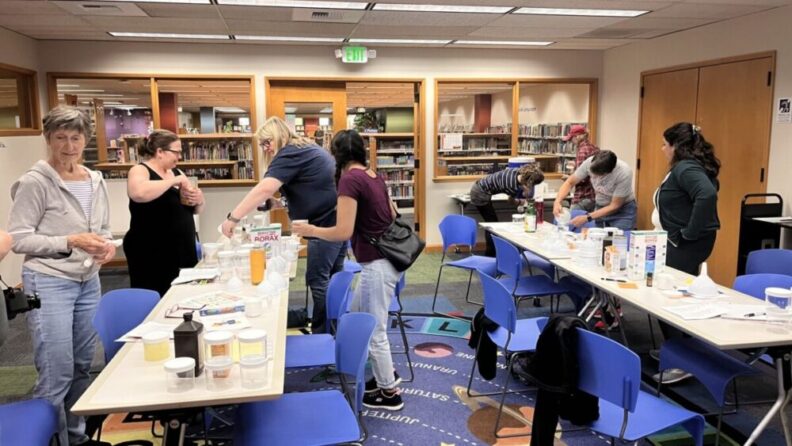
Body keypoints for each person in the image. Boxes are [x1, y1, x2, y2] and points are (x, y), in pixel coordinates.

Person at [8, 106, 114, 446]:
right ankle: (52, 440)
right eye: (60, 138)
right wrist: (69, 241)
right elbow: (19, 238)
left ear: (85, 139)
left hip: (88, 280)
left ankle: (76, 437)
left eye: (76, 137)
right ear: (48, 139)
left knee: (83, 364)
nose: (69, 146)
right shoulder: (34, 182)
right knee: (57, 370)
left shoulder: (94, 180)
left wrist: (107, 247)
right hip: (49, 279)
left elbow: (103, 230)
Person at [292, 129, 404, 411]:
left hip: (376, 265)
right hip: (387, 261)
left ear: (336, 154)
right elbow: (392, 214)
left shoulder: (349, 180)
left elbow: (343, 231)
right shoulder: (372, 175)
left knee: (374, 328)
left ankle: (390, 392)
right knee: (357, 318)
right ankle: (384, 373)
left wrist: (310, 230)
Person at [222, 116, 345, 334]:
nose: (266, 148)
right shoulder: (307, 147)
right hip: (336, 222)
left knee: (319, 281)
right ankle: (335, 329)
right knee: (333, 280)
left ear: (280, 136)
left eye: (267, 142)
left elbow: (264, 188)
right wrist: (277, 203)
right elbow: (310, 187)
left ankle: (322, 334)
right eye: (262, 144)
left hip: (324, 227)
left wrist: (233, 218)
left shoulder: (289, 152)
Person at [651, 122, 720, 385]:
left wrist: (690, 232)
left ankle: (684, 360)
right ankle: (677, 350)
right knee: (669, 294)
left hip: (687, 243)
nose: (662, 149)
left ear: (676, 146)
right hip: (680, 241)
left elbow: (707, 195)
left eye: (665, 144)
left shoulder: (686, 167)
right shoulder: (684, 168)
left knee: (671, 297)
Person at [123, 130, 204, 298]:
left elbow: (194, 208)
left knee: (184, 295)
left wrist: (199, 200)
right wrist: (173, 182)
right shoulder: (140, 170)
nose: (179, 156)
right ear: (160, 151)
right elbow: (138, 193)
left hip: (182, 248)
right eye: (176, 152)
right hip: (152, 251)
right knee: (156, 296)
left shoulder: (176, 172)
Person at [469, 163, 545, 256]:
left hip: (479, 186)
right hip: (480, 194)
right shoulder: (512, 187)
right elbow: (510, 201)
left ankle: (493, 252)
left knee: (491, 223)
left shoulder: (516, 172)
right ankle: (491, 254)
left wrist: (524, 189)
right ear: (530, 182)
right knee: (491, 225)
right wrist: (521, 202)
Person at [553, 150, 637, 231]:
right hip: (600, 206)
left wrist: (588, 217)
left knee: (619, 241)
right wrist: (557, 202)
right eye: (592, 174)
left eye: (598, 176)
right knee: (597, 241)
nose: (595, 179)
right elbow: (570, 182)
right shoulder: (589, 163)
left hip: (622, 211)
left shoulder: (624, 172)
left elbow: (614, 206)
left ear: (609, 171)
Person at [562, 124, 600, 212]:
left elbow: (581, 178)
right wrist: (576, 164)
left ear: (578, 137)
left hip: (583, 195)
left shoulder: (582, 150)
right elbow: (591, 169)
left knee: (572, 221)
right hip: (595, 194)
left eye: (572, 138)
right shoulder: (594, 148)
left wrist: (568, 178)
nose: (571, 141)